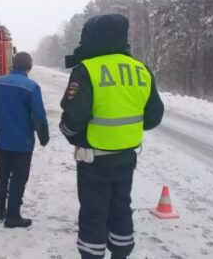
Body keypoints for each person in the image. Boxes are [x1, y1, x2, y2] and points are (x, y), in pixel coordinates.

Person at [59, 14, 164, 259]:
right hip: (127, 155)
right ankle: (121, 252)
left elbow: (74, 119)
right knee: (120, 208)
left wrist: (69, 134)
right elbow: (154, 117)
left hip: (94, 158)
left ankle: (92, 254)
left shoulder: (87, 69)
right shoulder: (141, 69)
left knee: (94, 212)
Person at [0, 52, 49, 228]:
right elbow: (39, 117)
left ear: (13, 64)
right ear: (29, 67)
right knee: (18, 178)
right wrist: (44, 137)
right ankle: (13, 216)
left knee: (2, 175)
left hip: (2, 141)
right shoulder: (31, 87)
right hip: (22, 143)